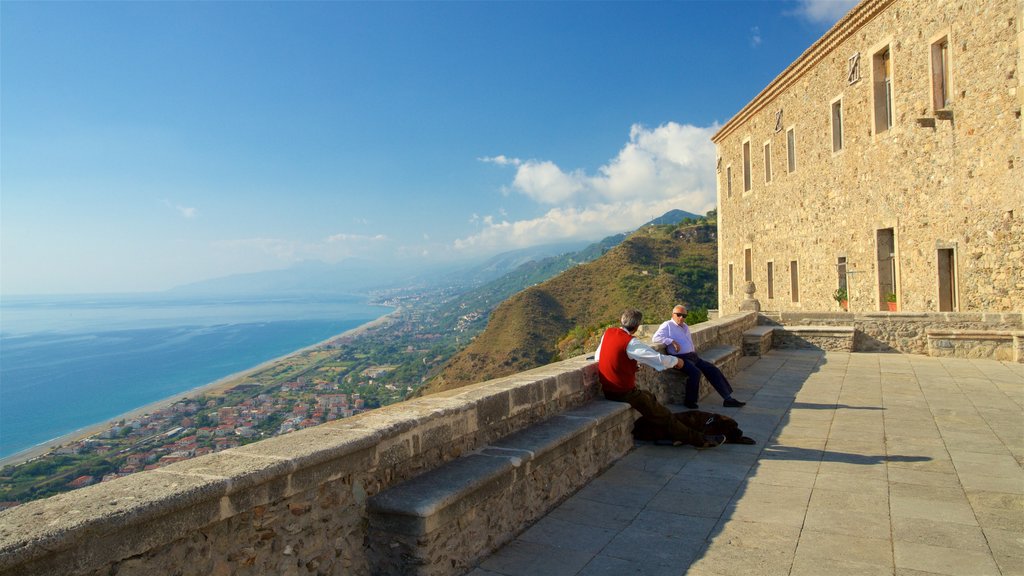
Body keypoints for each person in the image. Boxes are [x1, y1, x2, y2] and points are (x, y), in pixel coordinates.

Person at [595, 309, 725, 449]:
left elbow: (598, 356)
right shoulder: (630, 343)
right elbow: (657, 358)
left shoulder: (608, 333)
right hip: (622, 392)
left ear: (622, 320)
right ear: (638, 326)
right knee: (663, 415)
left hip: (609, 389)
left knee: (650, 398)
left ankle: (665, 434)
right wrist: (676, 362)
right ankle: (699, 440)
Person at [652, 304, 747, 409]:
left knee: (712, 370)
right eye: (678, 315)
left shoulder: (685, 326)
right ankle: (690, 401)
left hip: (693, 357)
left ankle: (728, 398)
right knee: (695, 372)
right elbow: (655, 338)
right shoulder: (667, 325)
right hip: (681, 358)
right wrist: (671, 341)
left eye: (684, 316)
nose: (681, 318)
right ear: (673, 314)